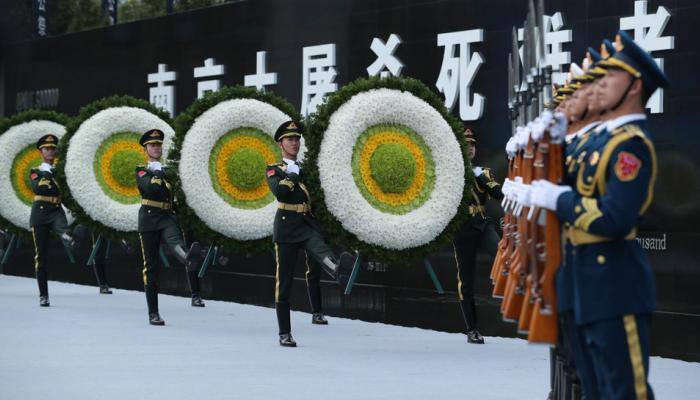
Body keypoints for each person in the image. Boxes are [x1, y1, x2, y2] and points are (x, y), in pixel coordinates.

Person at [531, 30, 668, 399]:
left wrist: (558, 198)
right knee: (593, 386)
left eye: (610, 77)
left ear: (635, 85)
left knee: (623, 391)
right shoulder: (602, 142)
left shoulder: (630, 148)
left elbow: (615, 218)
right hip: (586, 280)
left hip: (615, 283)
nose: (597, 87)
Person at [265, 120, 351, 347]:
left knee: (320, 248)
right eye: (290, 139)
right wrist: (292, 175)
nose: (294, 143)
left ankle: (337, 269)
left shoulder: (308, 168)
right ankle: (284, 332)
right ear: (280, 143)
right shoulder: (274, 169)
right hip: (286, 226)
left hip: (307, 223)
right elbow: (281, 193)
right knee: (284, 283)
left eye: (296, 139)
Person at [135, 129, 203, 326]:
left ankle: (187, 258)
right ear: (146, 149)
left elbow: (176, 184)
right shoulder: (141, 170)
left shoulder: (168, 170)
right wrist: (158, 173)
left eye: (158, 145)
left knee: (175, 241)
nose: (156, 148)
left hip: (166, 216)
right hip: (148, 218)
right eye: (152, 145)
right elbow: (150, 188)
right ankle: (153, 312)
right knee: (151, 266)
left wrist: (162, 173)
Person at [453, 127, 503, 344]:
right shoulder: (450, 173)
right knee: (466, 281)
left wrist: (482, 178)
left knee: (503, 254)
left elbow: (499, 194)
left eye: (472, 145)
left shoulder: (484, 171)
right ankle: (472, 329)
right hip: (462, 229)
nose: (470, 148)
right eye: (466, 145)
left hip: (482, 224)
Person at [29, 134, 78, 307]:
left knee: (63, 228)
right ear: (41, 152)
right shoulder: (35, 171)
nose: (50, 151)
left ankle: (66, 237)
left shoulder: (61, 170)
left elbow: (66, 188)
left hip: (56, 210)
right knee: (41, 256)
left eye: (52, 149)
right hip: (40, 212)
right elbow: (38, 187)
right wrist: (50, 174)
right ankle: (43, 295)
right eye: (46, 149)